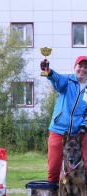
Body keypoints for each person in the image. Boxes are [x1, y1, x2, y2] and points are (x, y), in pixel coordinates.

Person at [41, 56, 87, 184]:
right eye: (80, 66)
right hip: (59, 130)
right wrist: (48, 71)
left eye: (85, 67)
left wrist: (84, 126)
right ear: (75, 67)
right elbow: (57, 79)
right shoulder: (67, 81)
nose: (82, 69)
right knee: (54, 169)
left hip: (80, 133)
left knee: (86, 167)